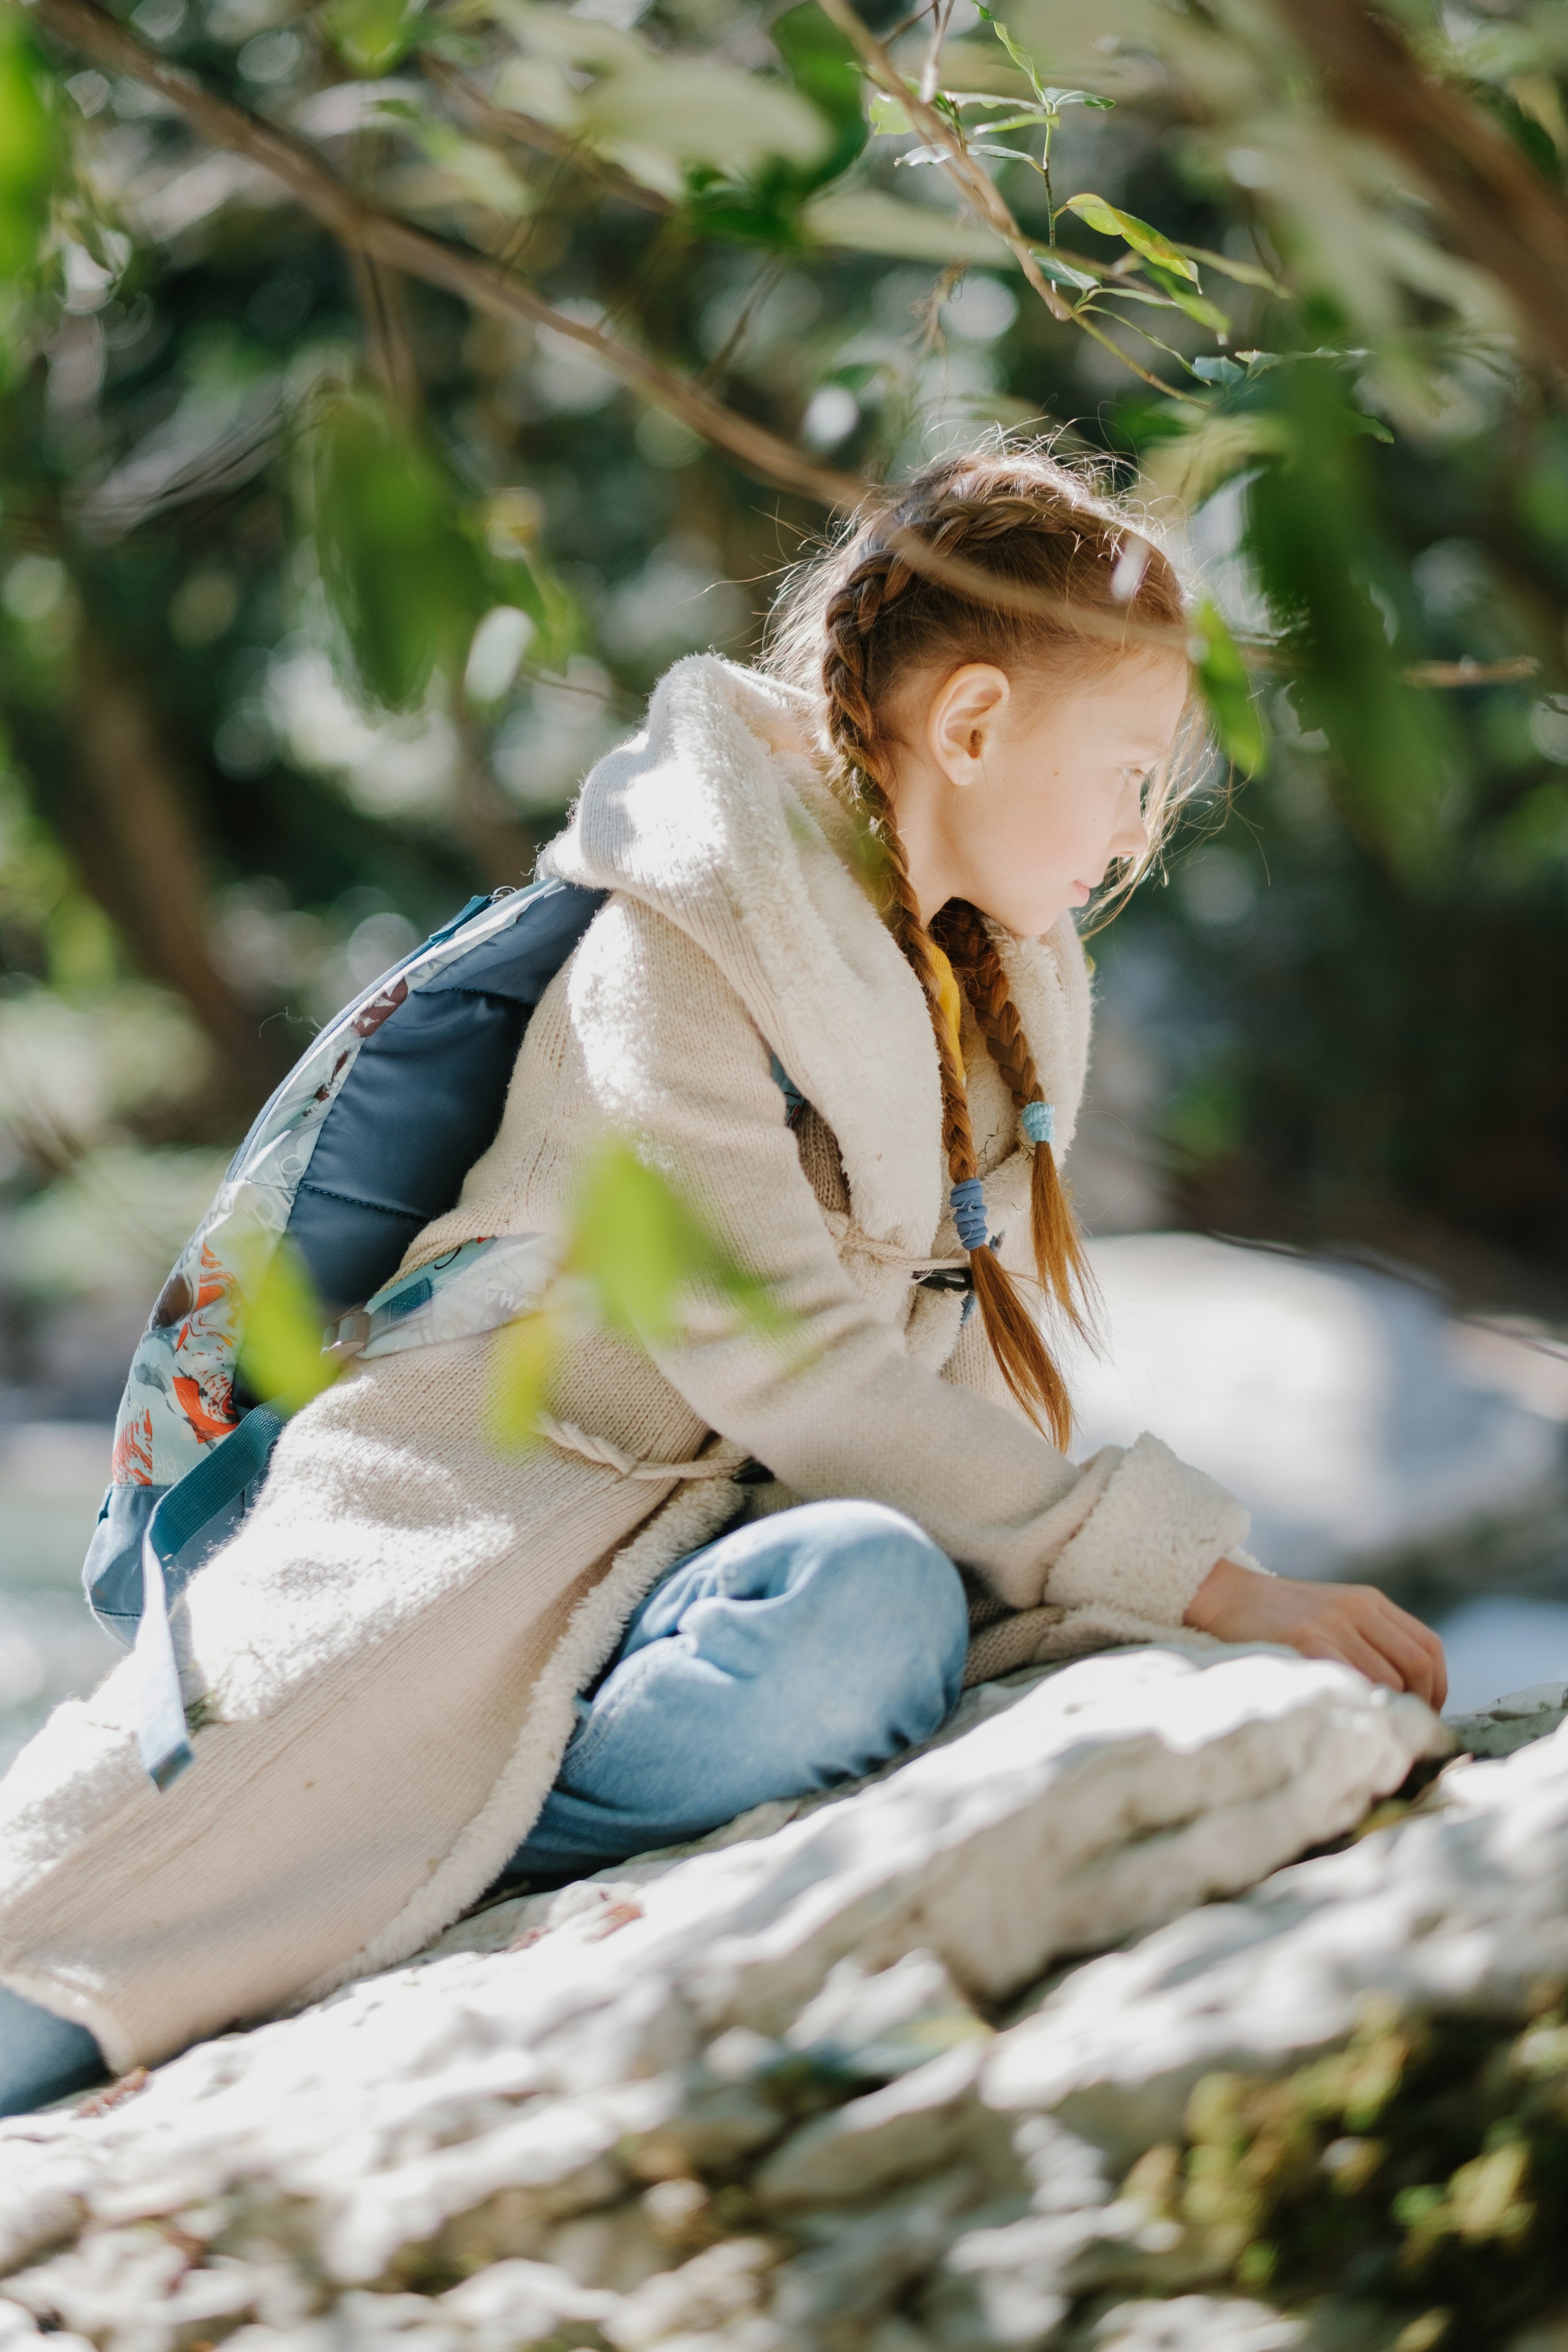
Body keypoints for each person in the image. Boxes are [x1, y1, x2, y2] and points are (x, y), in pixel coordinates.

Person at [0, 443, 1446, 2116]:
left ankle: (468, 1848)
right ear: (971, 726)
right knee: (93, 1941)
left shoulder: (987, 987)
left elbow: (924, 1413)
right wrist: (1207, 1580)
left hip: (686, 1590)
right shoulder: (670, 948)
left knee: (871, 1608)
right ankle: (406, 1846)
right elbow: (798, 1369)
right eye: (1128, 772)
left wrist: (1113, 1599)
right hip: (473, 1557)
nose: (1139, 832)